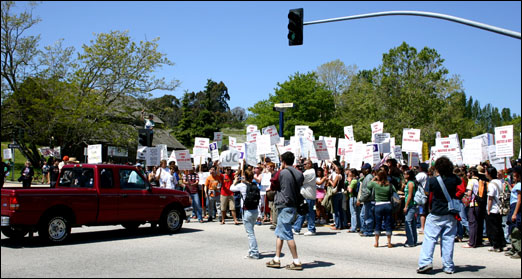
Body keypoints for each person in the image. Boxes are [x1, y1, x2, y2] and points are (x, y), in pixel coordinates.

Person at [417, 156, 461, 275]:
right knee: (448, 240)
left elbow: (426, 192)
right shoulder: (455, 179)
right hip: (450, 213)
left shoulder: (433, 180)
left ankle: (425, 263)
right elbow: (460, 185)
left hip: (436, 212)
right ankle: (448, 266)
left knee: (430, 238)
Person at [266, 152, 304, 271]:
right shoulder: (299, 173)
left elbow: (273, 184)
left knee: (287, 233)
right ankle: (276, 258)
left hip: (284, 204)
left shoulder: (282, 173)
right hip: (293, 204)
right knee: (280, 232)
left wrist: (280, 170)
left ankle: (296, 261)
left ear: (282, 161)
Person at [230, 168, 260, 259]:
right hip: (254, 210)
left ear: (245, 177)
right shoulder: (255, 185)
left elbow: (231, 188)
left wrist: (235, 181)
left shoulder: (242, 185)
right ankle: (251, 250)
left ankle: (254, 252)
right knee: (251, 231)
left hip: (247, 210)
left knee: (250, 233)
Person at [368, 169, 396, 248]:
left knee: (378, 223)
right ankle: (389, 242)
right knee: (388, 223)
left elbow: (368, 185)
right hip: (387, 205)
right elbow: (394, 191)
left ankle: (376, 242)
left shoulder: (375, 184)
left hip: (378, 205)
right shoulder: (389, 185)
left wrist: (374, 178)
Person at [485, 167, 507, 252]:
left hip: (493, 208)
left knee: (493, 228)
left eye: (486, 172)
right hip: (500, 207)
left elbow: (490, 197)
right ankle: (502, 243)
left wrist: (488, 209)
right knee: (499, 226)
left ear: (489, 174)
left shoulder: (491, 184)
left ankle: (496, 245)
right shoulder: (500, 182)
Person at [292, 159, 317, 236]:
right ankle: (297, 228)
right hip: (305, 196)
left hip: (309, 196)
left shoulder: (310, 172)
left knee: (309, 213)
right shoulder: (307, 172)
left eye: (305, 164)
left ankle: (311, 229)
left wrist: (295, 171)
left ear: (310, 164)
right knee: (302, 212)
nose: (304, 166)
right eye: (303, 164)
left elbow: (299, 180)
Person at [505, 166, 521, 259]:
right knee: (511, 227)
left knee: (515, 229)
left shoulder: (519, 185)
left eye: (515, 176)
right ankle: (514, 248)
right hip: (513, 206)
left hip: (516, 207)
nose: (513, 177)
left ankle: (519, 250)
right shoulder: (517, 185)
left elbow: (519, 200)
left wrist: (515, 213)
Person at [357, 163, 375, 237]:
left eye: (363, 169)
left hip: (369, 200)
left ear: (367, 170)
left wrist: (360, 200)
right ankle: (364, 229)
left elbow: (367, 191)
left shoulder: (368, 178)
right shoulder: (367, 177)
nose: (362, 170)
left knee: (368, 216)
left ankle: (368, 231)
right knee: (363, 215)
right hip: (367, 200)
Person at [403, 169, 418, 247]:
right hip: (410, 204)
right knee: (412, 223)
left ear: (408, 175)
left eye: (405, 173)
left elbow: (410, 195)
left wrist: (406, 206)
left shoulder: (410, 183)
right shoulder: (409, 183)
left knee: (408, 222)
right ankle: (413, 240)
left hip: (411, 205)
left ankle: (410, 241)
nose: (404, 175)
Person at [416, 163, 429, 234]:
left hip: (421, 195)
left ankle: (422, 227)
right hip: (425, 195)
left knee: (422, 212)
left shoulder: (421, 175)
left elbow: (415, 180)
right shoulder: (426, 175)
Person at [347, 168, 361, 233]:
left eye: (349, 172)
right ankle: (358, 226)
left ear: (353, 173)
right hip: (357, 197)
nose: (348, 173)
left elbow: (350, 190)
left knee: (353, 213)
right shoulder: (357, 180)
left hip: (352, 197)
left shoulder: (353, 181)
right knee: (357, 212)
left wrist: (349, 183)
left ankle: (353, 227)